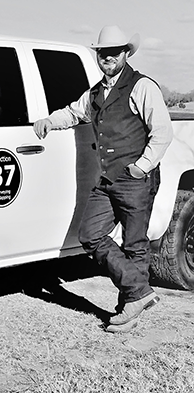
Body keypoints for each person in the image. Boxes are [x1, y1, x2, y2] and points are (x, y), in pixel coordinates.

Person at [33, 25, 173, 333]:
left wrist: (142, 166)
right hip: (107, 179)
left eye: (113, 52)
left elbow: (163, 132)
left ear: (125, 54)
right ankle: (140, 292)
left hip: (136, 178)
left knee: (135, 244)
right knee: (90, 233)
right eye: (102, 53)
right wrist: (48, 121)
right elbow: (73, 113)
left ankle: (129, 310)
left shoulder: (142, 86)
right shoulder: (96, 92)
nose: (107, 57)